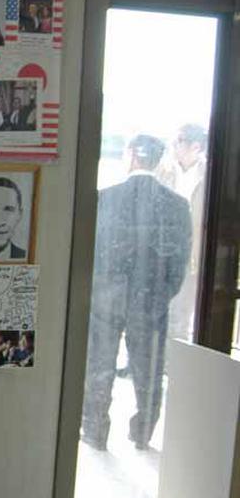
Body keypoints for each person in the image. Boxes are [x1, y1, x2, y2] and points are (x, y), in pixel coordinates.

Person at [81, 135, 191, 452]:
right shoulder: (177, 204)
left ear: (130, 156)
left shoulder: (105, 198)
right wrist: (161, 295)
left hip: (105, 298)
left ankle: (95, 428)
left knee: (99, 364)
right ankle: (142, 431)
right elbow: (179, 262)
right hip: (151, 299)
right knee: (149, 368)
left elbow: (91, 253)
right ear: (158, 160)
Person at [156, 124, 208, 342]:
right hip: (163, 249)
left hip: (192, 252)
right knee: (155, 308)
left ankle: (172, 365)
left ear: (195, 146)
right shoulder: (163, 170)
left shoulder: (210, 174)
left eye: (179, 141)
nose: (174, 145)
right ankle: (146, 363)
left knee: (182, 311)